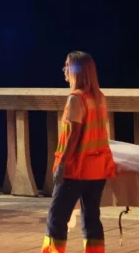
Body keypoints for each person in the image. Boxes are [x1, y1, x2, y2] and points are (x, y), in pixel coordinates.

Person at [41, 51, 116, 253]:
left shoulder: (76, 99)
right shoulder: (99, 97)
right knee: (91, 218)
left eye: (67, 65)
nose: (64, 69)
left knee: (56, 218)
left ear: (77, 71)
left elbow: (73, 136)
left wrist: (62, 165)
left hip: (76, 169)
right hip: (97, 169)